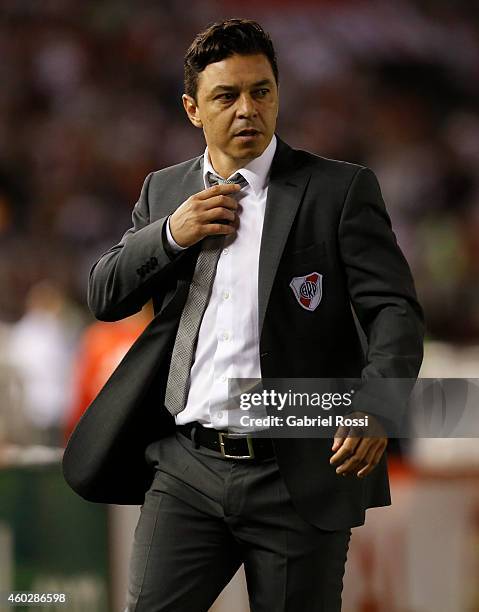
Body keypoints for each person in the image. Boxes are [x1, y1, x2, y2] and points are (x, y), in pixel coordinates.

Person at [63, 18, 424, 611]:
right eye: (226, 96)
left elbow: (395, 310)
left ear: (278, 94)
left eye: (261, 91)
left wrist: (378, 401)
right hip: (186, 466)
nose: (247, 109)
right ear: (193, 109)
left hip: (299, 471)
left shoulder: (338, 190)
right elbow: (106, 295)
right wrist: (171, 236)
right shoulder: (164, 190)